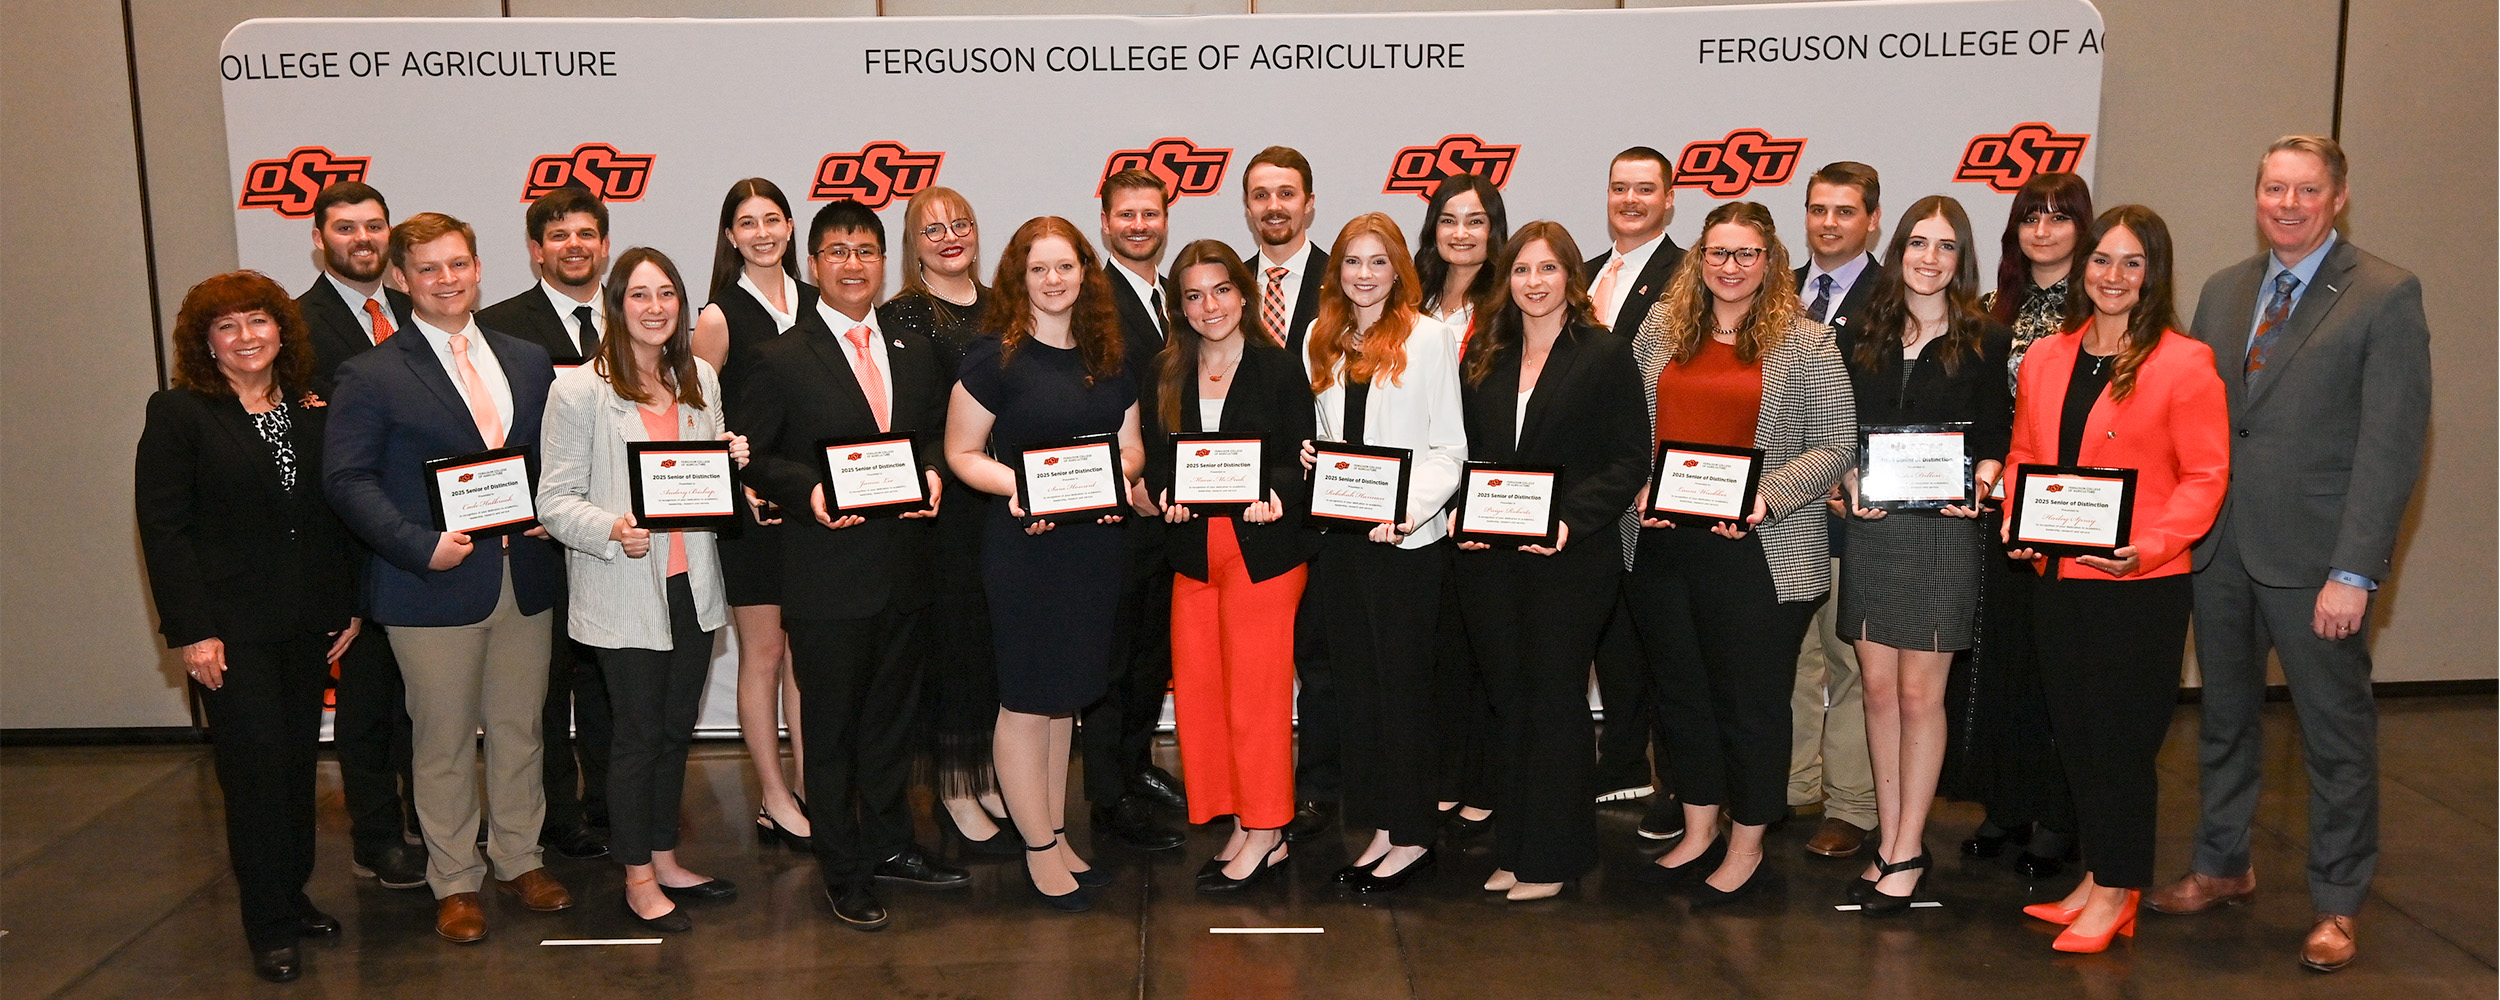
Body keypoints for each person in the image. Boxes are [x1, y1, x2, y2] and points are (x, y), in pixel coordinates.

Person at [2149, 135, 2432, 974]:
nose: (2288, 204)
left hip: (2318, 565)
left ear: (2338, 197)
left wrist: (2354, 573)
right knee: (2224, 723)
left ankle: (2338, 904)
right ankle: (2222, 864)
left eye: (2307, 190)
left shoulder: (2385, 294)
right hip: (2221, 551)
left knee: (2334, 736)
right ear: (2258, 193)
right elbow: (2194, 423)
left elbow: (2391, 446)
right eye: (2275, 188)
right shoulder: (2225, 290)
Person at [323, 212, 572, 944]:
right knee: (441, 743)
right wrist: (415, 544)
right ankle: (455, 880)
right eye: (428, 269)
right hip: (428, 586)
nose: (446, 280)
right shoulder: (371, 373)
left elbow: (549, 460)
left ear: (478, 267)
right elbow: (346, 478)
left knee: (524, 729)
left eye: (457, 264)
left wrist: (549, 511)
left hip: (522, 575)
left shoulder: (526, 359)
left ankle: (520, 859)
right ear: (400, 279)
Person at [731, 201, 968, 931]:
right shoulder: (780, 357)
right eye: (837, 252)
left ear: (882, 262)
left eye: (866, 251)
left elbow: (930, 433)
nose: (853, 265)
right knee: (830, 732)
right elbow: (760, 458)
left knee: (892, 724)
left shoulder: (913, 346)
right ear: (814, 265)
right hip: (826, 574)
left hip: (904, 570)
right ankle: (844, 867)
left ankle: (893, 845)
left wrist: (932, 471)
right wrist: (806, 491)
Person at [2005, 205, 2229, 953]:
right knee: (2078, 738)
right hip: (2059, 578)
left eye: (2132, 263)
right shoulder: (2047, 357)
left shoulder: (2184, 362)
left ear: (2153, 275)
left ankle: (2120, 889)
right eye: (2103, 259)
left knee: (2123, 747)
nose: (2113, 276)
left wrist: (2150, 545)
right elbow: (2025, 460)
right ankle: (2099, 879)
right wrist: (2016, 517)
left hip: (2140, 588)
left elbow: (2205, 477)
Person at [1626, 201, 1853, 905]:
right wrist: (1636, 477)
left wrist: (1767, 496)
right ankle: (1697, 831)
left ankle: (1748, 841)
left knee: (1750, 705)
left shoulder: (1808, 343)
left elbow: (1837, 445)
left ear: (1770, 261)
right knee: (1682, 698)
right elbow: (1629, 425)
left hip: (1760, 549)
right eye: (1718, 253)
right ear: (1699, 258)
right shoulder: (1660, 329)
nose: (1730, 267)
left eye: (1746, 254)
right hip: (1663, 547)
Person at [137, 272, 362, 982]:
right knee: (254, 774)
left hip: (304, 624)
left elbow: (328, 517)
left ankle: (292, 897)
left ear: (280, 330)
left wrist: (347, 602)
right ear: (205, 343)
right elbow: (164, 531)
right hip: (227, 635)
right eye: (227, 327)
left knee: (296, 767)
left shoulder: (308, 409)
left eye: (257, 321)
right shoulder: (179, 414)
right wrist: (193, 632)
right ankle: (266, 924)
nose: (245, 338)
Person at [536, 248, 744, 933]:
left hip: (693, 585)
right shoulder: (580, 390)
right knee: (636, 736)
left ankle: (664, 854)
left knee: (674, 733)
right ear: (614, 304)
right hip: (624, 587)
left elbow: (703, 481)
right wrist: (609, 527)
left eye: (667, 295)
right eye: (640, 296)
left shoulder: (700, 377)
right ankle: (635, 874)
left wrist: (729, 459)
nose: (656, 308)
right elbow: (554, 501)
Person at [944, 216, 1145, 913]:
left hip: (1093, 548)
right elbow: (963, 455)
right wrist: (1025, 487)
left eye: (1065, 267)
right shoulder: (992, 358)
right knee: (1027, 700)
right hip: (1027, 549)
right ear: (1018, 278)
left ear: (1084, 274)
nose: (1054, 280)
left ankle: (1056, 834)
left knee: (1066, 699)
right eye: (1039, 269)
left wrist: (1113, 476)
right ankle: (1036, 851)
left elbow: (1133, 447)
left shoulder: (1108, 353)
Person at [1451, 223, 1648, 900]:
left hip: (1569, 558)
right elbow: (1473, 457)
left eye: (1548, 269)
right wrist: (1463, 513)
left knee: (1555, 701)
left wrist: (1570, 518)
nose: (1533, 283)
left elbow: (1629, 461)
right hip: (1490, 561)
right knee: (1507, 702)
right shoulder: (1487, 356)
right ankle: (1515, 847)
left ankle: (1557, 857)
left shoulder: (1605, 354)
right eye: (1521, 271)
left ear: (1572, 277)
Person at [1828, 196, 2013, 914]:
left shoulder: (1986, 339)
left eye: (1945, 247)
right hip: (1874, 530)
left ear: (1961, 259)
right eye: (1918, 244)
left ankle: (1906, 847)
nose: (1929, 259)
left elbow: (1998, 439)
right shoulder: (1859, 334)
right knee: (1876, 693)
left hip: (1943, 534)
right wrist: (1846, 479)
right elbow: (1844, 432)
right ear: (1898, 250)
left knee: (1918, 695)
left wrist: (1984, 484)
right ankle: (1888, 840)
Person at [1135, 239, 1317, 891]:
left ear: (1243, 294)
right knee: (1203, 699)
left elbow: (1300, 458)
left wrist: (1277, 495)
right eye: (1193, 294)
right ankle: (1242, 820)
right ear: (1179, 306)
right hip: (1192, 552)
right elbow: (1160, 462)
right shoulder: (1166, 372)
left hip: (1262, 552)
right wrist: (1164, 496)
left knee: (1258, 700)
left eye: (1220, 290)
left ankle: (1268, 829)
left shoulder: (1279, 368)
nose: (1208, 305)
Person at [1299, 213, 1468, 893]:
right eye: (1350, 262)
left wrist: (1404, 512)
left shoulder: (1428, 338)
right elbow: (1329, 434)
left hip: (1405, 545)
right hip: (1343, 545)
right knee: (1358, 694)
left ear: (1398, 268)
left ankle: (1415, 835)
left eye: (1376, 262)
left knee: (1403, 695)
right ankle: (1381, 826)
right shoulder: (1322, 336)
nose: (1362, 275)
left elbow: (1449, 450)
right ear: (1335, 272)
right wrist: (1313, 457)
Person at [1956, 171, 2094, 878]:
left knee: (2060, 663)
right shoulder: (1987, 307)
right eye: (2030, 217)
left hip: (2074, 508)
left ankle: (2061, 814)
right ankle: (2007, 804)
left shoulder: (2099, 306)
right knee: (2001, 659)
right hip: (1999, 508)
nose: (2043, 230)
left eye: (2059, 217)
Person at [293, 181, 426, 891]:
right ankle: (377, 837)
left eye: (374, 226)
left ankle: (429, 822)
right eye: (346, 228)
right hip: (346, 547)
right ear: (319, 239)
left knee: (424, 701)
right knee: (368, 703)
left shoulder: (420, 312)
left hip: (424, 541)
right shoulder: (292, 326)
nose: (363, 239)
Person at [478, 183, 615, 861]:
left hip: (618, 536)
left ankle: (612, 806)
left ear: (605, 246)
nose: (574, 246)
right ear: (536, 252)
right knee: (543, 685)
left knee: (608, 677)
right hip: (536, 538)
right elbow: (494, 433)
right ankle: (557, 816)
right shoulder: (498, 327)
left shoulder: (634, 318)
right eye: (558, 236)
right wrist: (528, 506)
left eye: (586, 233)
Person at [878, 185, 1015, 857]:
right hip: (947, 512)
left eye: (960, 223)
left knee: (995, 646)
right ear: (913, 243)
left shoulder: (1003, 307)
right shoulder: (902, 315)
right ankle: (956, 790)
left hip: (1007, 503)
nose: (949, 237)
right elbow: (912, 417)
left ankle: (989, 777)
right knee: (955, 649)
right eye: (933, 230)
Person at [690, 178, 815, 851]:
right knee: (763, 654)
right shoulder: (718, 315)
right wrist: (739, 490)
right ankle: (771, 796)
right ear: (731, 236)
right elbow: (699, 416)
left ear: (791, 227)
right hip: (753, 513)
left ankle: (808, 786)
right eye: (747, 222)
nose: (763, 232)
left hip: (811, 506)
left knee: (804, 657)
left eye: (773, 219)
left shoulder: (821, 301)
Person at [1581, 147, 1686, 834]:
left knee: (1669, 652)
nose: (1631, 200)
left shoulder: (1689, 277)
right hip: (1591, 497)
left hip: (1660, 492)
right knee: (1613, 641)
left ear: (1669, 199)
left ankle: (1679, 789)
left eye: (1645, 189)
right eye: (1620, 187)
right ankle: (1620, 765)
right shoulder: (1582, 276)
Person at [1233, 146, 1336, 843]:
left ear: (1309, 203)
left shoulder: (1349, 278)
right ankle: (1254, 793)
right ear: (1247, 207)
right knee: (1254, 671)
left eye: (1287, 194)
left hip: (1329, 508)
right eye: (1261, 195)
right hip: (1245, 510)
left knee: (1323, 661)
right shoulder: (1222, 287)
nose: (1275, 206)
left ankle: (1323, 790)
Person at [1088, 169, 1188, 851]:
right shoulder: (1092, 299)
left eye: (1150, 213)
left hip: (1169, 512)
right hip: (1120, 509)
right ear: (1105, 221)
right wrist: (1121, 480)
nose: (1139, 225)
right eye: (1126, 215)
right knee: (1112, 659)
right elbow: (1090, 402)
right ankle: (1105, 795)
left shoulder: (1170, 296)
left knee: (1152, 654)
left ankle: (1135, 764)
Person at [1790, 160, 1884, 860]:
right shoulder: (1778, 291)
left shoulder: (1895, 296)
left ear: (1872, 219)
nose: (1828, 223)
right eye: (1818, 209)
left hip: (1862, 516)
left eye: (1844, 211)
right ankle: (1791, 789)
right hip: (1788, 513)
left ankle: (1851, 806)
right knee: (1790, 659)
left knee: (1851, 661)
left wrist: (1858, 473)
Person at [1411, 172, 1508, 839]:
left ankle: (1486, 780)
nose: (1462, 233)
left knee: (1486, 649)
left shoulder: (1510, 300)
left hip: (1487, 499)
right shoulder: (1410, 296)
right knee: (1438, 647)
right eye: (1449, 220)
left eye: (1475, 221)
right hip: (1419, 498)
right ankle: (1443, 775)